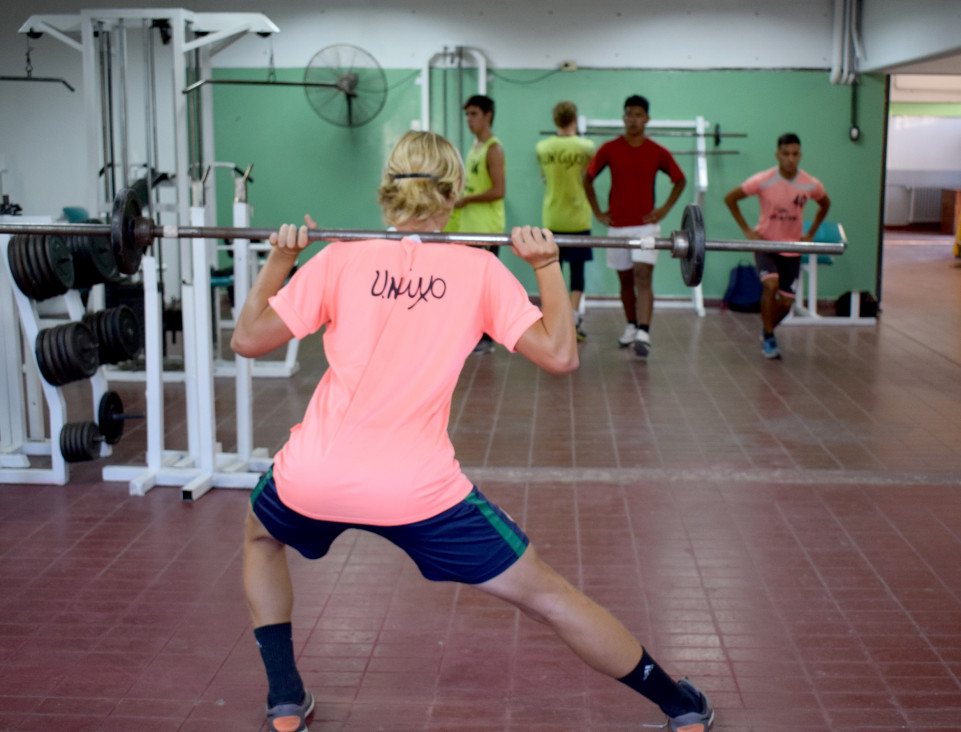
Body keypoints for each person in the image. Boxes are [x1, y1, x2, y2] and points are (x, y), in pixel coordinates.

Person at [231, 130, 714, 732]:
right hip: (419, 492)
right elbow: (561, 355)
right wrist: (546, 266)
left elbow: (247, 339)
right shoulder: (477, 271)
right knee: (548, 596)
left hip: (314, 474)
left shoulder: (338, 258)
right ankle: (682, 707)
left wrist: (279, 259)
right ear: (455, 193)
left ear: (387, 187)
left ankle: (283, 701)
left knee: (260, 538)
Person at [584, 94, 686, 359]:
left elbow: (680, 180)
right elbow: (588, 178)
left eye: (639, 115)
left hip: (645, 227)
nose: (634, 119)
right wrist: (597, 212)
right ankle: (631, 325)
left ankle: (644, 331)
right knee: (625, 280)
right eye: (630, 114)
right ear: (624, 117)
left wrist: (663, 210)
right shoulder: (609, 149)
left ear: (647, 119)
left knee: (643, 276)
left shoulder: (657, 152)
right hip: (617, 226)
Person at [724, 132, 831, 359]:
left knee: (786, 302)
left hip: (792, 248)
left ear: (800, 155)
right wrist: (747, 230)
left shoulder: (810, 183)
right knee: (771, 285)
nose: (791, 159)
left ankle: (767, 329)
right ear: (777, 155)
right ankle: (770, 338)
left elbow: (825, 204)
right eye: (786, 154)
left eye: (795, 154)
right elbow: (730, 198)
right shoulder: (764, 180)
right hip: (766, 243)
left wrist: (810, 233)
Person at [448, 94, 506, 354]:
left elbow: (499, 190)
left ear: (487, 116)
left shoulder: (494, 148)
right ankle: (474, 333)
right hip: (468, 226)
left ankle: (486, 337)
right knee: (469, 283)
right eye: (467, 115)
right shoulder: (474, 147)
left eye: (474, 114)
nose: (469, 120)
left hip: (487, 228)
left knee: (484, 285)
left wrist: (467, 199)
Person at [536, 100, 596, 341]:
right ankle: (572, 318)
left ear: (554, 120)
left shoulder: (542, 147)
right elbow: (588, 177)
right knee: (577, 271)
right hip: (578, 217)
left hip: (552, 215)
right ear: (575, 118)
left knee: (554, 270)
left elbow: (544, 178)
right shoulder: (587, 147)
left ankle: (556, 320)